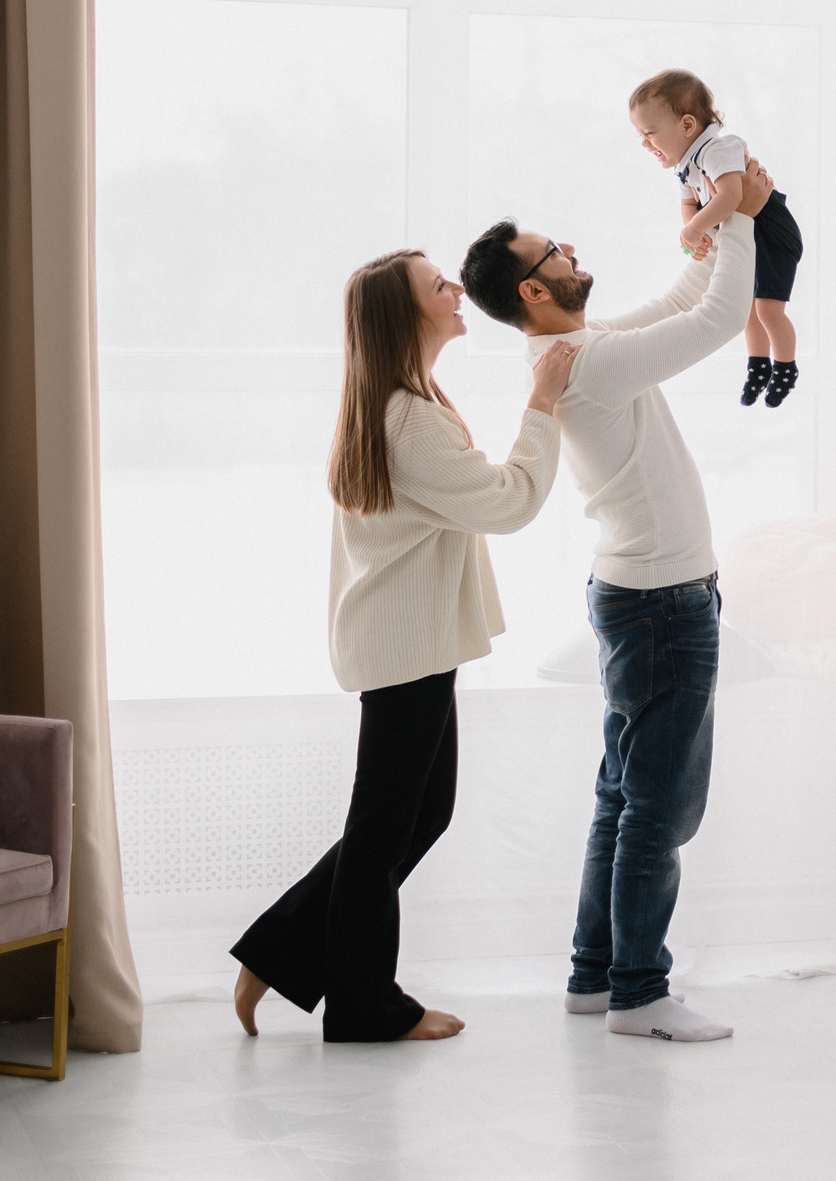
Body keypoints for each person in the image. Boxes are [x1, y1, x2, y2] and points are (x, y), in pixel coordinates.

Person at [457, 158, 771, 1043]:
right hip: (664, 604)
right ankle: (640, 992)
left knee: (623, 798)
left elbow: (679, 303)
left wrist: (708, 224)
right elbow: (714, 320)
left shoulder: (576, 352)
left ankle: (594, 980)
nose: (571, 250)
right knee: (657, 810)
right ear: (534, 285)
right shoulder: (587, 363)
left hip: (641, 598)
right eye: (556, 250)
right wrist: (741, 218)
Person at [231, 251, 576, 1042]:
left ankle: (280, 952)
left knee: (412, 818)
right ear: (407, 314)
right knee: (393, 826)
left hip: (405, 639)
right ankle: (360, 1001)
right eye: (438, 286)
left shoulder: (406, 401)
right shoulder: (410, 418)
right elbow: (510, 502)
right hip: (405, 644)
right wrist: (543, 404)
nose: (457, 290)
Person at [628, 70, 804, 408]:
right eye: (640, 135)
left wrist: (695, 229)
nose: (645, 144)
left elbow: (731, 197)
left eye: (650, 133)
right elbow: (688, 203)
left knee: (768, 308)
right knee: (748, 310)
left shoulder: (718, 149)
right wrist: (696, 230)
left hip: (771, 233)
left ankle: (785, 367)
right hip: (746, 234)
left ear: (687, 125)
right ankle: (758, 364)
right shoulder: (685, 164)